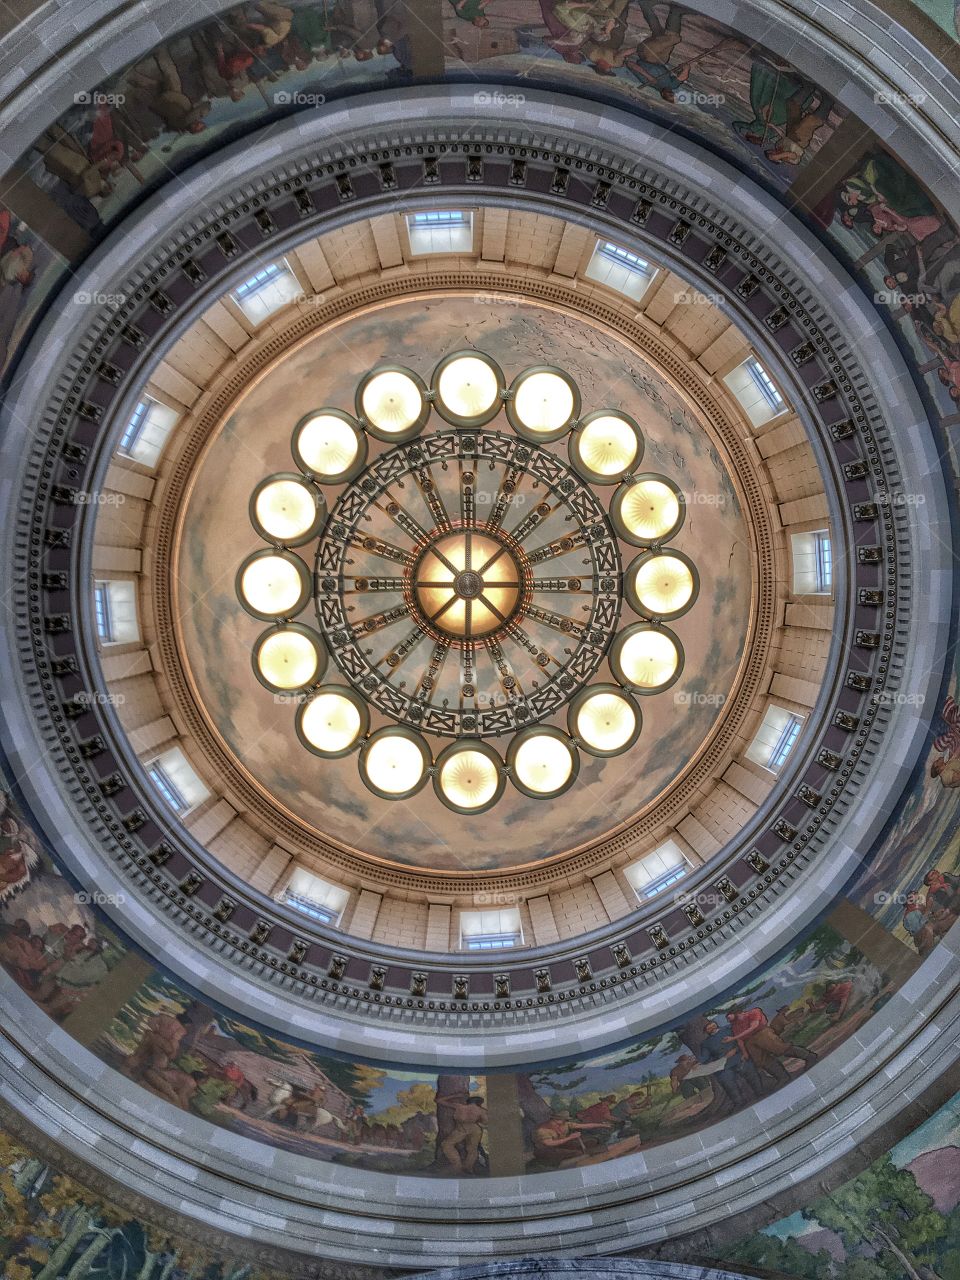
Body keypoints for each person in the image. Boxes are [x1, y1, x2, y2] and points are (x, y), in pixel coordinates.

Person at [436, 1092, 487, 1174]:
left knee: (447, 1145)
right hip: (473, 1129)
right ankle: (464, 1167)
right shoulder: (481, 1110)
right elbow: (485, 1122)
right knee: (472, 1149)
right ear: (479, 1103)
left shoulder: (459, 1106)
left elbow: (439, 1100)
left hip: (462, 1129)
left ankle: (461, 1166)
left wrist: (454, 1095)